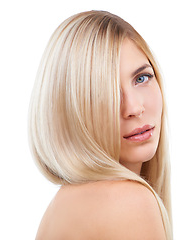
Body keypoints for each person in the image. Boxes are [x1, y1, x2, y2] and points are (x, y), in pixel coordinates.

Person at [29, 10, 172, 239]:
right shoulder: (129, 201)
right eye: (107, 92)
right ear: (72, 110)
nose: (134, 108)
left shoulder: (64, 203)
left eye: (141, 78)